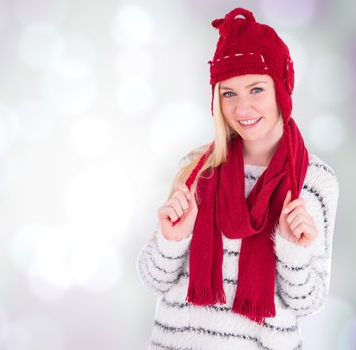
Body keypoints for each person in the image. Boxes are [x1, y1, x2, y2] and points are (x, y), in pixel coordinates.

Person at [136, 7, 339, 350]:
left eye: (256, 89)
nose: (242, 108)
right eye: (229, 93)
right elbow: (154, 279)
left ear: (282, 88)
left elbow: (309, 302)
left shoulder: (316, 183)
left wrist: (292, 250)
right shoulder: (196, 169)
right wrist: (171, 240)